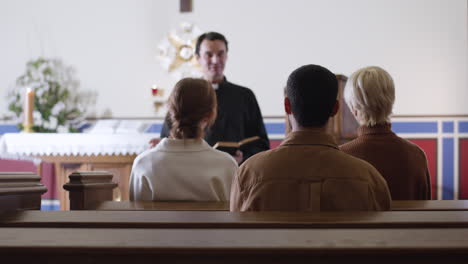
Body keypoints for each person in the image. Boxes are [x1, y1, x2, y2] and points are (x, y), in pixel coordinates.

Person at [230, 64, 391, 211]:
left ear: (287, 106)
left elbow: (235, 236)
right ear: (335, 109)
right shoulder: (368, 178)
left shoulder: (249, 174)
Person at [159, 32, 270, 164]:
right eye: (209, 54)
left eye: (220, 54)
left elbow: (261, 143)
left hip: (236, 174)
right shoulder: (185, 94)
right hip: (192, 169)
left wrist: (242, 158)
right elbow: (167, 136)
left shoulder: (245, 96)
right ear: (198, 58)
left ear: (227, 56)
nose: (215, 60)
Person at [129, 78, 238, 201]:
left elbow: (138, 216)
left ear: (170, 110)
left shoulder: (143, 164)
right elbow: (234, 213)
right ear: (210, 115)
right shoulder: (226, 165)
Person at [340, 66, 431, 200]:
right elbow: (425, 208)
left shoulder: (341, 156)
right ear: (391, 101)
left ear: (354, 109)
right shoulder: (416, 155)